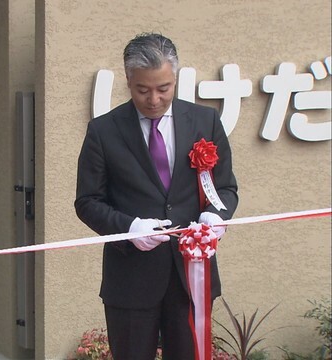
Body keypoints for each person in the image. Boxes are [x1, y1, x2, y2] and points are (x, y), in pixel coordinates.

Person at [74, 33, 238, 359]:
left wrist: (216, 216)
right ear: (128, 79)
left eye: (163, 88)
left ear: (175, 78)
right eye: (142, 90)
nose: (153, 100)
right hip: (131, 279)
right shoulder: (103, 131)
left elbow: (226, 189)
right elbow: (87, 201)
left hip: (191, 274)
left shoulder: (205, 122)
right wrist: (129, 228)